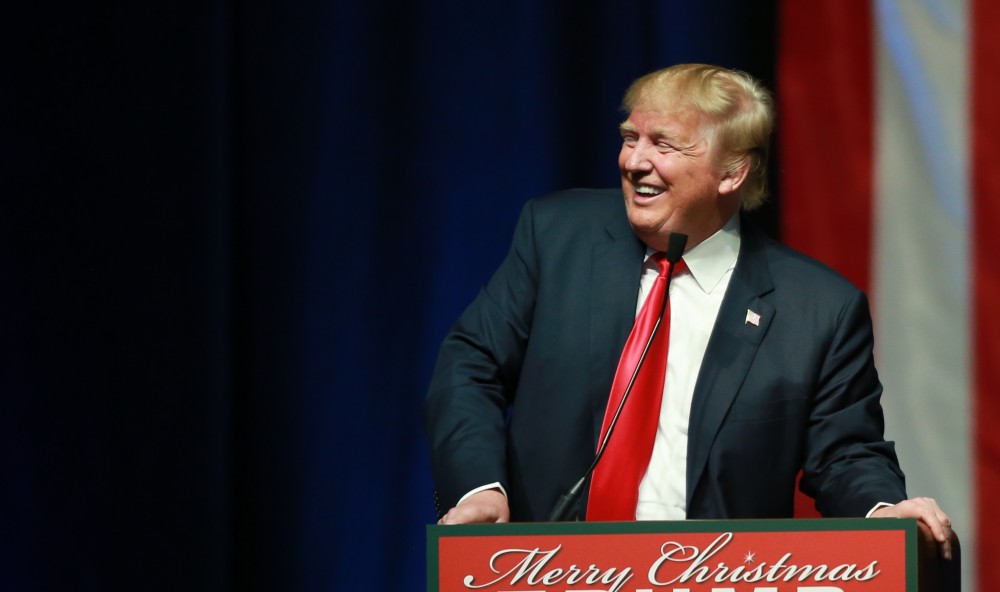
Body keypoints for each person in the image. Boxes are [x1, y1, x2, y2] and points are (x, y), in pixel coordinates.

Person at [423, 63, 952, 559]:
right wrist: (479, 487)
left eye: (663, 145)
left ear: (731, 173)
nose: (633, 162)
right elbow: (471, 366)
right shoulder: (557, 236)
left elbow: (845, 452)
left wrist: (883, 511)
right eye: (630, 138)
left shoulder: (817, 309)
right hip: (549, 568)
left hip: (712, 574)